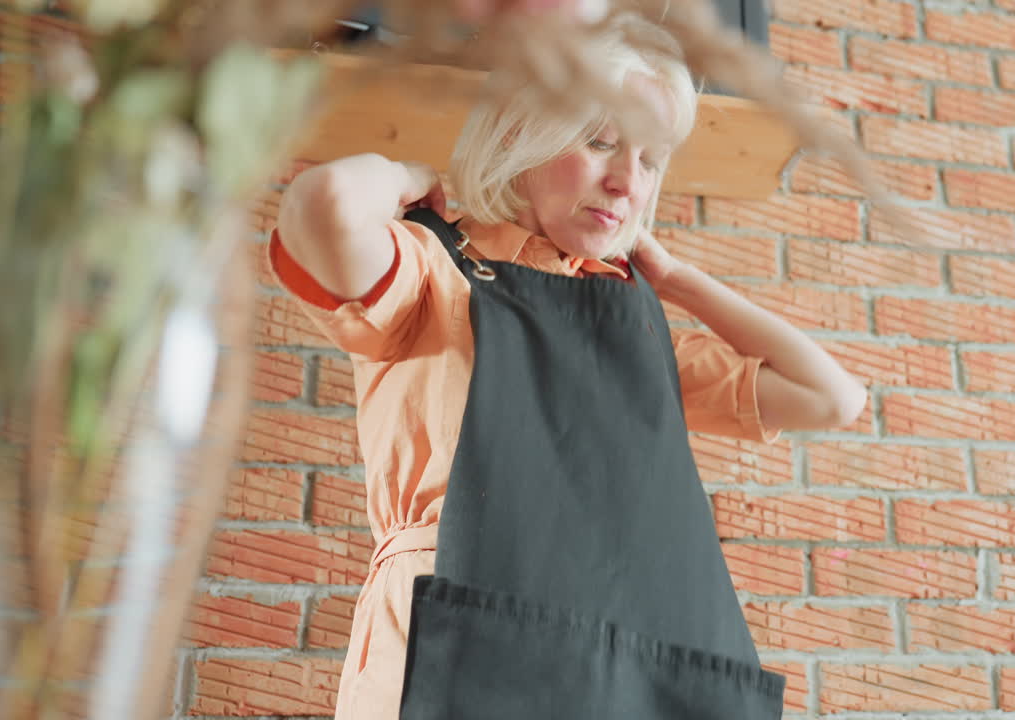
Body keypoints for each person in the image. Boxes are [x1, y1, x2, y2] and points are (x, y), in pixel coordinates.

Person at [270, 13, 867, 719]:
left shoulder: (636, 331)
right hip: (446, 634)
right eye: (600, 141)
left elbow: (832, 396)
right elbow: (326, 203)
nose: (625, 182)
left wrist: (678, 282)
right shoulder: (437, 275)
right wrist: (411, 173)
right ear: (523, 136)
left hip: (610, 669)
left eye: (648, 161)